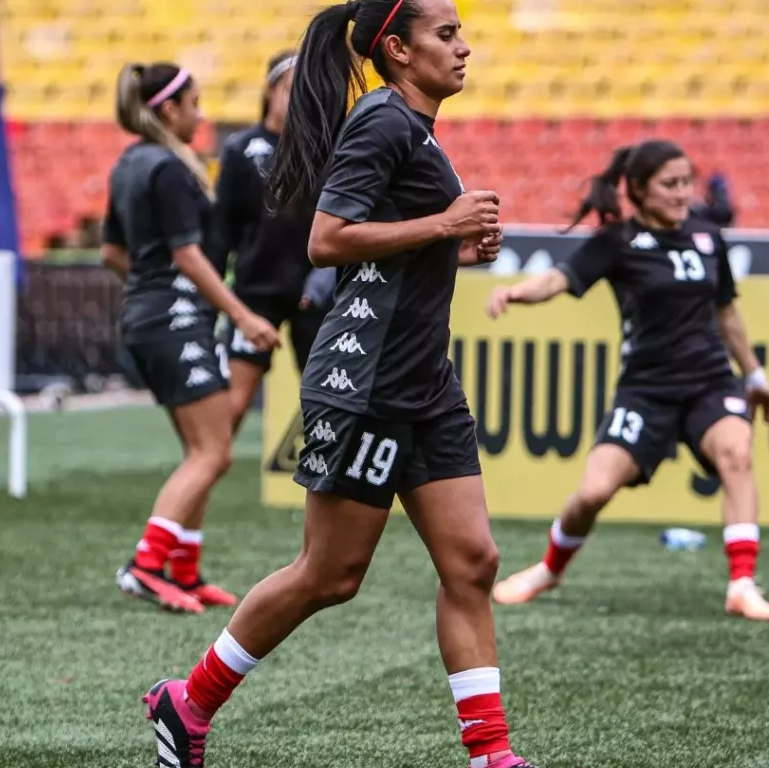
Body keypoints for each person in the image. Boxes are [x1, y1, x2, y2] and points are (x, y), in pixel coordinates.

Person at [139, 2, 541, 767]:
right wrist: (444, 226)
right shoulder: (384, 121)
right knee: (329, 575)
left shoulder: (415, 129)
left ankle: (492, 755)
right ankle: (187, 703)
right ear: (399, 49)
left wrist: (455, 246)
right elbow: (326, 241)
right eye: (446, 34)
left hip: (424, 381)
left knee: (473, 562)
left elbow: (389, 247)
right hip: (366, 381)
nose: (463, 47)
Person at [485, 141, 769, 621]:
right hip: (646, 390)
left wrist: (753, 376)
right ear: (640, 190)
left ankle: (742, 585)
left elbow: (727, 312)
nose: (682, 193)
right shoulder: (617, 242)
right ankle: (549, 569)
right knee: (593, 492)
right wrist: (517, 292)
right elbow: (559, 279)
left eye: (687, 182)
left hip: (710, 381)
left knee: (736, 452)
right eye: (670, 184)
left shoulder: (708, 237)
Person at [101, 62, 282, 614]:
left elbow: (111, 252)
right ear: (168, 110)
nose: (202, 116)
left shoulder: (129, 164)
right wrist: (243, 316)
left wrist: (149, 292)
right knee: (212, 452)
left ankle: (183, 570)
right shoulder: (168, 168)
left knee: (204, 451)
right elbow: (188, 256)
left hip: (151, 318)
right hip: (176, 321)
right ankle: (146, 566)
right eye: (195, 104)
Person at [208, 51, 328, 429]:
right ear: (270, 90)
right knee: (232, 406)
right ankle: (208, 458)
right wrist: (213, 298)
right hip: (256, 292)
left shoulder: (324, 148)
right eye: (291, 89)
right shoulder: (240, 149)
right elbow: (222, 229)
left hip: (313, 294)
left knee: (328, 406)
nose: (299, 100)